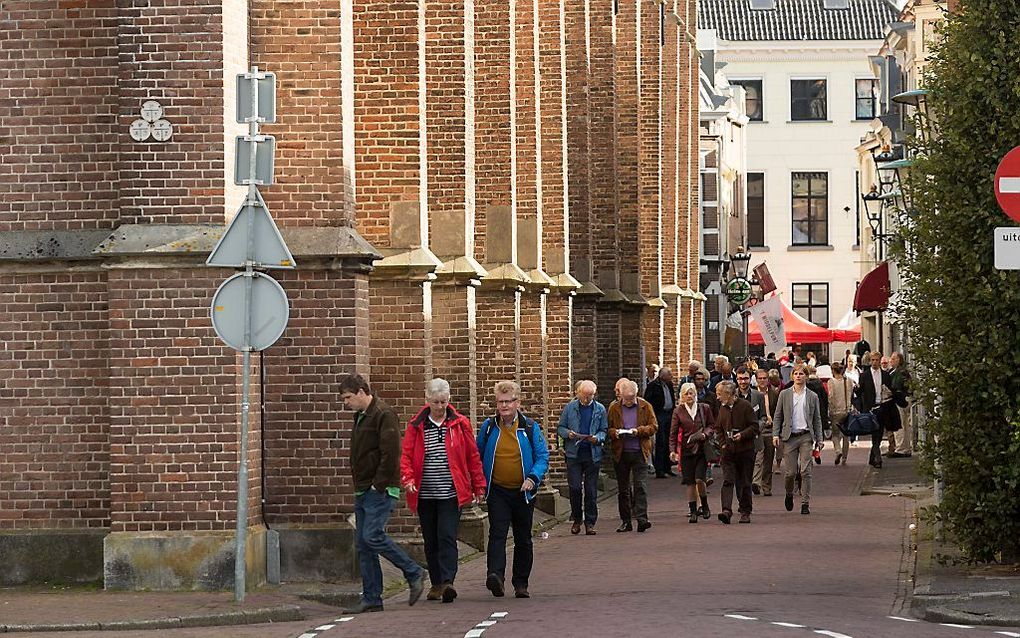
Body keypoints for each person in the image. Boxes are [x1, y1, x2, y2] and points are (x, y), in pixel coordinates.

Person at [340, 374, 426, 614]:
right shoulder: (361, 416)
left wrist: (378, 485)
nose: (345, 403)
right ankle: (372, 597)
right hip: (363, 489)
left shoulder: (383, 414)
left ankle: (413, 571)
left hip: (379, 489)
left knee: (372, 536)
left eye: (348, 398)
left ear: (360, 392)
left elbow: (391, 454)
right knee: (363, 544)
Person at [400, 378, 487, 603]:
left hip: (450, 491)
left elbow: (472, 457)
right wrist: (408, 478)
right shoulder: (416, 425)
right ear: (427, 400)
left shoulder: (460, 423)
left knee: (447, 535)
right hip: (425, 492)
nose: (440, 407)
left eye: (444, 402)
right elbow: (407, 456)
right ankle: (436, 583)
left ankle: (448, 581)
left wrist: (478, 486)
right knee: (431, 539)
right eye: (436, 402)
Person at [477, 380, 550, 599]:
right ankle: (495, 577)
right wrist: (479, 483)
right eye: (500, 402)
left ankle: (520, 583)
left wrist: (532, 478)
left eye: (508, 402)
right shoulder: (489, 427)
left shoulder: (529, 427)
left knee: (523, 537)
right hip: (498, 489)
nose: (504, 406)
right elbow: (477, 455)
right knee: (497, 533)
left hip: (523, 491)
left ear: (517, 403)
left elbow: (542, 456)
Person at [557, 380, 608, 535]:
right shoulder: (570, 408)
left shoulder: (599, 409)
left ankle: (590, 522)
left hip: (592, 454)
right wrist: (568, 434)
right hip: (574, 453)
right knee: (575, 488)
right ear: (577, 393)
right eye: (585, 396)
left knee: (591, 490)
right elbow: (560, 427)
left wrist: (598, 438)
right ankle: (577, 518)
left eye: (590, 396)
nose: (587, 399)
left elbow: (604, 430)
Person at [772, 365, 824, 515]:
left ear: (806, 377)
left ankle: (805, 502)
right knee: (790, 473)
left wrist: (819, 439)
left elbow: (817, 419)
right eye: (796, 374)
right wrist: (776, 434)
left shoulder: (812, 396)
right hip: (790, 437)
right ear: (792, 376)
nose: (799, 376)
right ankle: (789, 493)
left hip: (806, 436)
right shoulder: (785, 394)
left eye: (801, 374)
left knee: (805, 470)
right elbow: (778, 415)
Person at [607, 378, 657, 533]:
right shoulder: (614, 408)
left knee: (640, 485)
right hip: (621, 452)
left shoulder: (645, 406)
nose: (628, 402)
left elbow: (654, 426)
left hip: (639, 451)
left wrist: (639, 431)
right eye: (625, 399)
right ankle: (626, 521)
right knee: (623, 489)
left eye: (631, 399)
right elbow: (608, 428)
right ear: (620, 395)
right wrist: (615, 433)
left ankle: (642, 519)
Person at [669, 383, 716, 523]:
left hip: (701, 448)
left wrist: (705, 434)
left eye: (691, 393)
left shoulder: (704, 408)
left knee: (699, 479)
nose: (689, 396)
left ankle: (705, 505)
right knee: (689, 482)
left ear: (696, 394)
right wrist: (672, 450)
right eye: (686, 394)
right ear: (682, 396)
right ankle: (693, 510)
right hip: (686, 450)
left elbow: (711, 426)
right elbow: (673, 432)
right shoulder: (678, 411)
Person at [713, 380, 759, 524]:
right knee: (728, 480)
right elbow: (718, 428)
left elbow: (754, 426)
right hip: (728, 451)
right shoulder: (722, 408)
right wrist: (722, 444)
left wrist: (742, 435)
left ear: (728, 394)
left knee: (744, 481)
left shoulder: (745, 406)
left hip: (745, 451)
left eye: (720, 394)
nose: (718, 397)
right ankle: (726, 510)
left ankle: (745, 511)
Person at [854, 351, 893, 468]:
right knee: (874, 432)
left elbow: (890, 390)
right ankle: (878, 458)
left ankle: (872, 458)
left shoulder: (886, 375)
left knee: (880, 433)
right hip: (870, 408)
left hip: (882, 406)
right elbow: (859, 392)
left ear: (880, 361)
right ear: (870, 361)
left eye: (877, 360)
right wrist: (856, 389)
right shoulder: (864, 375)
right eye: (873, 360)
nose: (875, 362)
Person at [644, 367, 677, 478]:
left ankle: (668, 467)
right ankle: (660, 469)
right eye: (669, 375)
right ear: (663, 376)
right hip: (659, 414)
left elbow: (672, 398)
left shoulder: (669, 385)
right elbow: (648, 401)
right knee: (661, 442)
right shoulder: (653, 386)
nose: (671, 377)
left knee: (669, 440)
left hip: (669, 414)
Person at [752, 367, 779, 495]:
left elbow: (778, 412)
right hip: (757, 429)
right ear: (756, 380)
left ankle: (766, 486)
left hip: (770, 428)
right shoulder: (752, 394)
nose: (762, 381)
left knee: (768, 459)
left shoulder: (774, 393)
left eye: (764, 378)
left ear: (768, 380)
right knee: (758, 457)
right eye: (760, 378)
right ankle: (756, 483)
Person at [826, 363, 853, 466]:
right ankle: (844, 459)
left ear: (833, 370)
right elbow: (850, 395)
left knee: (835, 435)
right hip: (846, 410)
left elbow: (831, 396)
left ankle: (838, 450)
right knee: (846, 435)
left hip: (836, 411)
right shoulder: (848, 381)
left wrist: (831, 409)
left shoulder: (831, 382)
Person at [888, 352, 913, 457]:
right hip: (902, 399)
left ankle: (901, 448)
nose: (891, 360)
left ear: (898, 360)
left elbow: (896, 385)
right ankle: (906, 448)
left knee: (899, 424)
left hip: (900, 400)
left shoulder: (900, 372)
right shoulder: (898, 371)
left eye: (893, 359)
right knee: (905, 425)